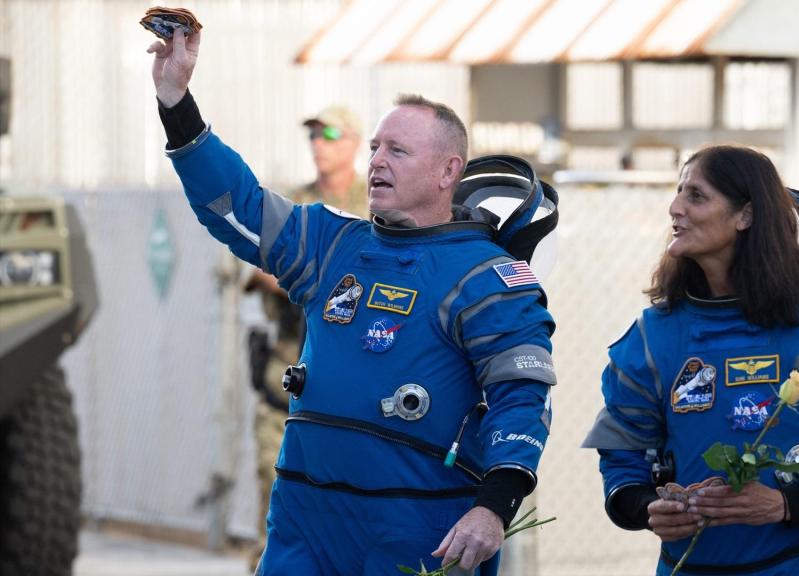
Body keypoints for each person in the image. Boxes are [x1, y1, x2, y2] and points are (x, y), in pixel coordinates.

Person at [147, 29, 556, 575]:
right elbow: (235, 204)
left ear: (448, 172)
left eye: (398, 151)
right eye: (375, 149)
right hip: (304, 523)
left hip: (421, 528)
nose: (377, 162)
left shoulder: (488, 276)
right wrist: (176, 102)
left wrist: (493, 508)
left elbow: (521, 396)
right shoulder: (331, 242)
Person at [582, 145, 799, 575]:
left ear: (746, 215)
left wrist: (787, 504)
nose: (675, 208)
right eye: (678, 193)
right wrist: (650, 507)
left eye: (696, 196)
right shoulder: (653, 336)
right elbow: (623, 458)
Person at [243, 103, 367, 570]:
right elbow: (258, 266)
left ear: (354, 142)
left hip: (355, 388)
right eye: (313, 135)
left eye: (330, 134)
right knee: (275, 502)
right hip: (289, 379)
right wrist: (312, 278)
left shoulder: (376, 203)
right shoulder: (295, 205)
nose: (319, 144)